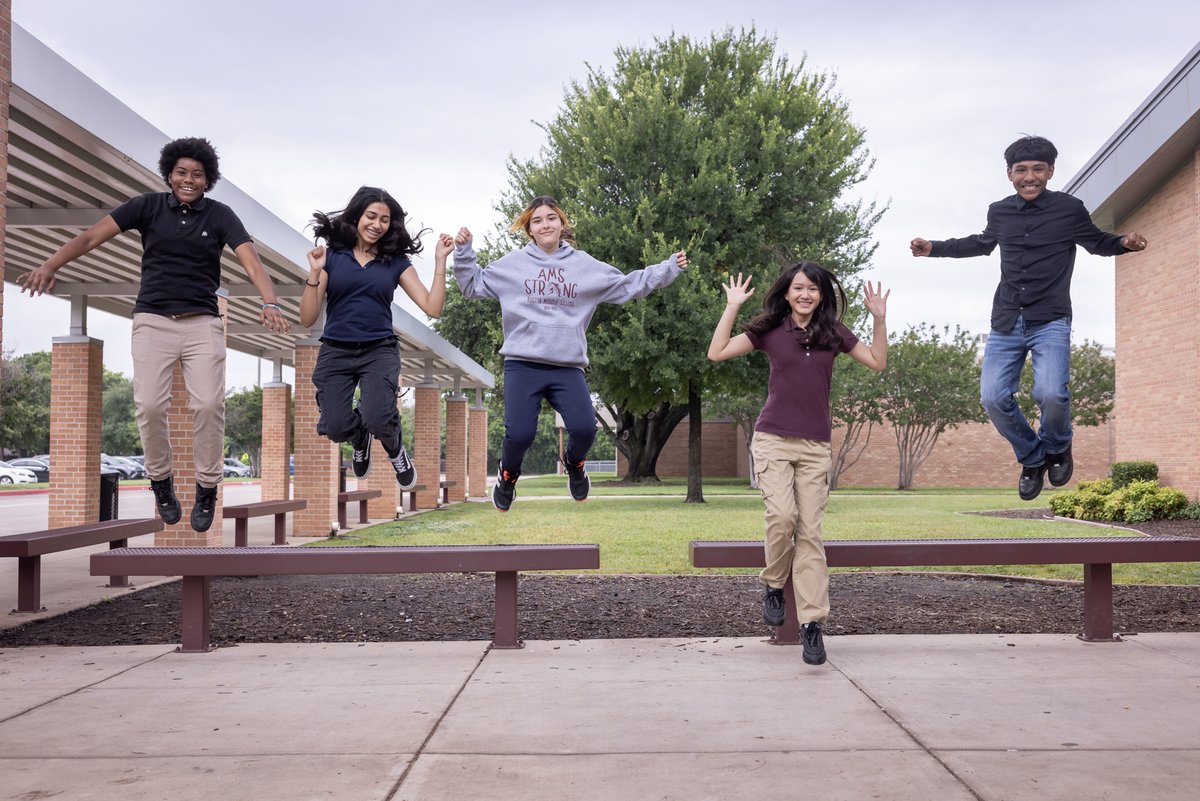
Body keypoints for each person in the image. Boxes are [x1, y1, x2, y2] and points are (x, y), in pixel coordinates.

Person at [18, 137, 290, 532]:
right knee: (148, 405)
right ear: (169, 174)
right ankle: (161, 483)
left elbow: (251, 260)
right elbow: (92, 237)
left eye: (197, 174)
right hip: (153, 321)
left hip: (202, 323)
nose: (189, 179)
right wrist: (50, 264)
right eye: (181, 172)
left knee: (210, 404)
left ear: (207, 179)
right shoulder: (146, 207)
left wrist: (270, 302)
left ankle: (207, 487)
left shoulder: (219, 215)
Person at [910, 135, 1148, 501]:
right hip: (1006, 320)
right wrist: (934, 249)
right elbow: (980, 243)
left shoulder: (1069, 209)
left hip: (1050, 319)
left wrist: (1123, 244)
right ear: (1010, 174)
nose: (1030, 176)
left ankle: (1057, 445)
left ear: (1050, 171)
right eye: (1021, 170)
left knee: (1050, 393)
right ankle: (1033, 456)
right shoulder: (1000, 211)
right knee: (992, 397)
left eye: (1038, 169)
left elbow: (1097, 242)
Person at [453, 195, 688, 511]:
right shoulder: (512, 265)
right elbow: (472, 286)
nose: (545, 224)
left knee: (584, 429)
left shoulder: (585, 267)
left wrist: (668, 268)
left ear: (562, 224)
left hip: (567, 366)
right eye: (537, 220)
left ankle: (575, 465)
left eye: (551, 218)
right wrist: (464, 252)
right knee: (520, 434)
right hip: (523, 364)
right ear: (530, 230)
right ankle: (508, 475)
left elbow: (630, 285)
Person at [707, 264, 889, 666]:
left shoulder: (833, 334)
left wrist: (879, 320)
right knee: (782, 518)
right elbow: (716, 353)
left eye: (812, 289)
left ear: (821, 295)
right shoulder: (770, 330)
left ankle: (812, 625)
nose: (805, 294)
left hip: (815, 447)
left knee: (810, 535)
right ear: (787, 294)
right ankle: (773, 583)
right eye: (798, 288)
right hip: (772, 439)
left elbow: (877, 361)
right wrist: (732, 307)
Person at [300, 186, 450, 489]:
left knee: (378, 416)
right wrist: (314, 273)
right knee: (337, 427)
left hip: (378, 350)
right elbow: (307, 319)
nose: (377, 224)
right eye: (371, 216)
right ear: (357, 216)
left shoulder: (394, 262)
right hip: (336, 351)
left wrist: (440, 261)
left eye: (384, 219)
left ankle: (396, 451)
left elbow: (432, 307)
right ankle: (359, 438)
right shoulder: (332, 256)